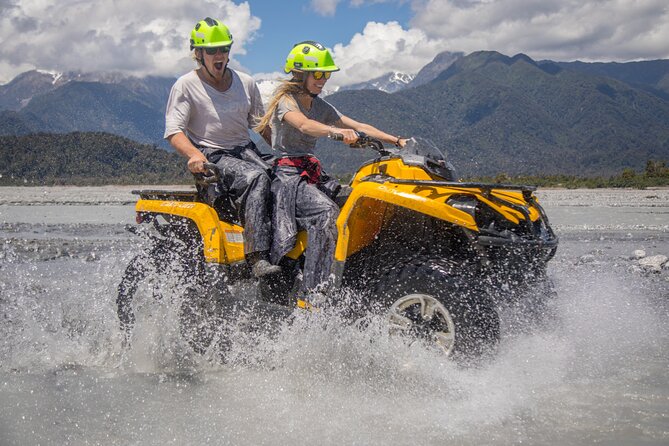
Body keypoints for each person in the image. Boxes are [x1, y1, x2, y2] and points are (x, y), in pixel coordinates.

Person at [255, 41, 408, 298]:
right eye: (318, 74)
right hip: (288, 177)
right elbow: (304, 125)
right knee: (325, 214)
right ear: (300, 73)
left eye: (326, 74)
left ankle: (349, 279)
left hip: (311, 173)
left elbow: (358, 125)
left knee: (355, 203)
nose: (323, 79)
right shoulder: (286, 101)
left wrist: (397, 140)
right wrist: (336, 132)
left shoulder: (320, 106)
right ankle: (314, 294)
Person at [164, 17, 280, 278]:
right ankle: (256, 256)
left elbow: (260, 125)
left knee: (285, 174)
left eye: (224, 49)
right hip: (211, 154)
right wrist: (194, 155)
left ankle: (285, 249)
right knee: (256, 178)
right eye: (212, 50)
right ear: (198, 53)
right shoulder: (186, 85)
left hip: (245, 149)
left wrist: (284, 153)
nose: (220, 55)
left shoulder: (246, 82)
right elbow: (173, 131)